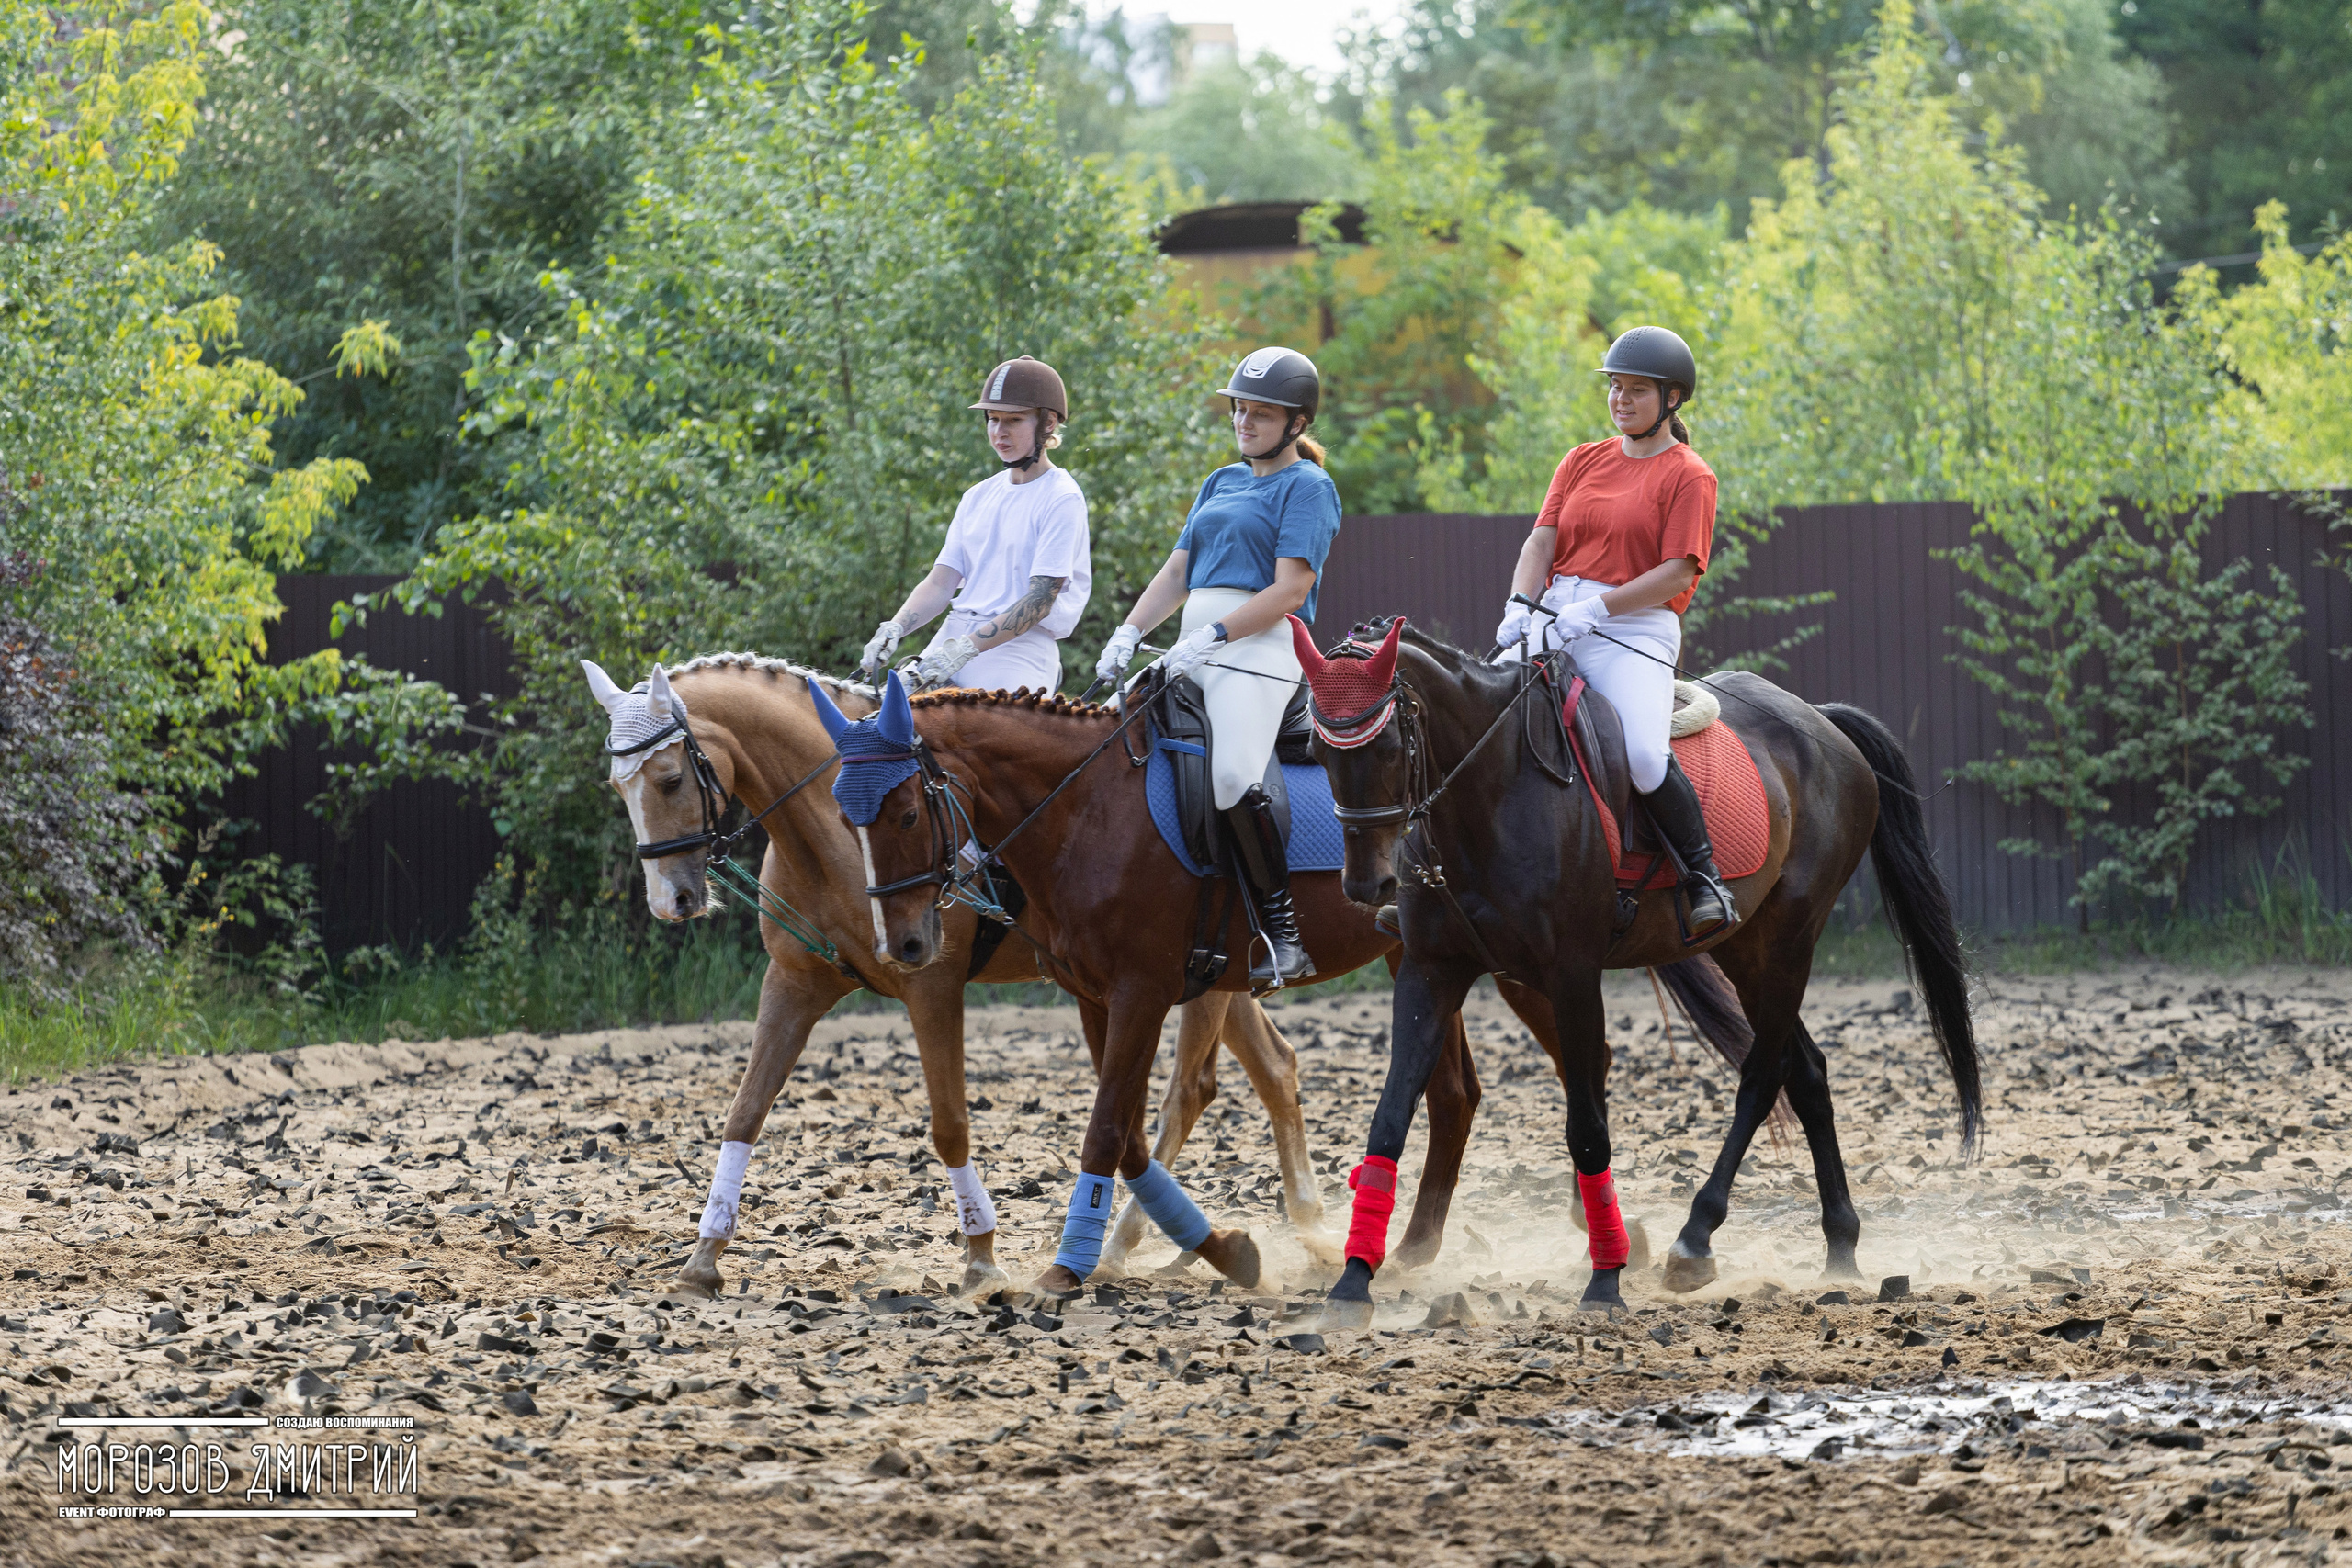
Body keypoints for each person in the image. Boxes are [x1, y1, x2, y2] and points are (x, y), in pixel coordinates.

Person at [1091, 346, 1341, 987]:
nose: (1244, 421)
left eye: (1261, 413)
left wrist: (1217, 633)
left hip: (1259, 649)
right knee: (1098, 742)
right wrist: (1129, 631)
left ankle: (1283, 936)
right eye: (1239, 409)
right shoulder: (1221, 481)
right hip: (1190, 646)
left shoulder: (1309, 487)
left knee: (1233, 776)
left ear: (1296, 423)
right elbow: (1178, 571)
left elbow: (1291, 589)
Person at [1496, 324, 1737, 936]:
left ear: (1672, 399)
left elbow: (1678, 570)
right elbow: (1542, 540)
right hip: (1555, 614)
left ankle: (1702, 876)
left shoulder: (1690, 475)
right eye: (1614, 387)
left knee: (1643, 756)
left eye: (1636, 390)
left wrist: (1599, 609)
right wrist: (1520, 605)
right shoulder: (1581, 459)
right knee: (1479, 724)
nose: (1621, 400)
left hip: (1634, 625)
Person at [860, 356, 1092, 694]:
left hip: (1018, 649)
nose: (999, 432)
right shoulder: (977, 495)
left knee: (988, 727)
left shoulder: (1062, 497)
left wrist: (965, 650)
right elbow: (940, 583)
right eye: (993, 419)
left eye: (1014, 420)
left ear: (1048, 423)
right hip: (953, 638)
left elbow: (1039, 601)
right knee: (880, 715)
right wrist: (894, 628)